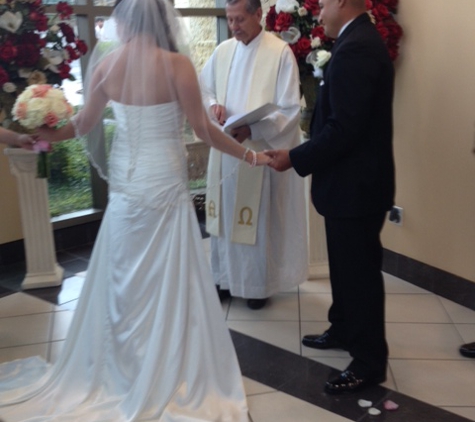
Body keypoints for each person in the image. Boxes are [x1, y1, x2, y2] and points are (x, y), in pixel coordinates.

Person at [0, 0, 270, 419]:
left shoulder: (106, 67)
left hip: (127, 185)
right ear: (164, 20)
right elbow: (204, 131)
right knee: (169, 273)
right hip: (163, 180)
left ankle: (120, 366)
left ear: (122, 22)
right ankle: (170, 362)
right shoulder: (178, 65)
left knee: (122, 274)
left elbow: (79, 127)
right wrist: (251, 157)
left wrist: (36, 132)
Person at [266, 0, 395, 394]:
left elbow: (345, 128)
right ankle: (343, 328)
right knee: (344, 265)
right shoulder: (354, 39)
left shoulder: (357, 47)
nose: (318, 12)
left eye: (323, 4)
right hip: (351, 183)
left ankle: (369, 363)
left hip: (357, 186)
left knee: (359, 275)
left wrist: (295, 157)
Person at [200, 0, 308, 310]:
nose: (233, 26)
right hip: (225, 152)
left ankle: (255, 286)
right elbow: (205, 88)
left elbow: (289, 109)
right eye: (229, 19)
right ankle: (223, 278)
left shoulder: (279, 53)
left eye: (239, 19)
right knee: (224, 215)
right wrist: (213, 106)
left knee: (254, 219)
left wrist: (253, 131)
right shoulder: (222, 52)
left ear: (258, 14)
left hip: (258, 153)